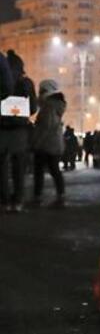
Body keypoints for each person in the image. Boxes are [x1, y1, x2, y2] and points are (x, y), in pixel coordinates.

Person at [1, 50, 36, 213]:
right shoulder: (26, 83)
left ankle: (4, 201)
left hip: (1, 128)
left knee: (2, 167)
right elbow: (33, 108)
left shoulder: (2, 80)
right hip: (19, 131)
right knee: (18, 167)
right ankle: (18, 201)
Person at [31, 80, 66, 208]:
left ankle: (38, 197)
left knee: (40, 171)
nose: (38, 94)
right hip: (53, 144)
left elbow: (46, 126)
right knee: (54, 170)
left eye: (40, 91)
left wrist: (36, 142)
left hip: (46, 144)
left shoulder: (49, 106)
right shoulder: (55, 105)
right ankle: (60, 196)